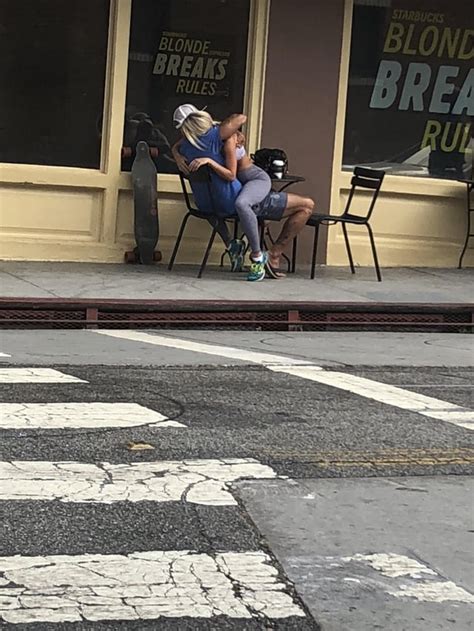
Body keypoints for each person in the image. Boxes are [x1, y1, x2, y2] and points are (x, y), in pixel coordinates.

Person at [172, 104, 315, 279]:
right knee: (250, 204)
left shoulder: (194, 145)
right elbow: (240, 120)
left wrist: (176, 153)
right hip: (238, 188)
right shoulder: (211, 138)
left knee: (245, 203)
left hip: (252, 179)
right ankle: (262, 255)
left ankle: (264, 252)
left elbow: (237, 123)